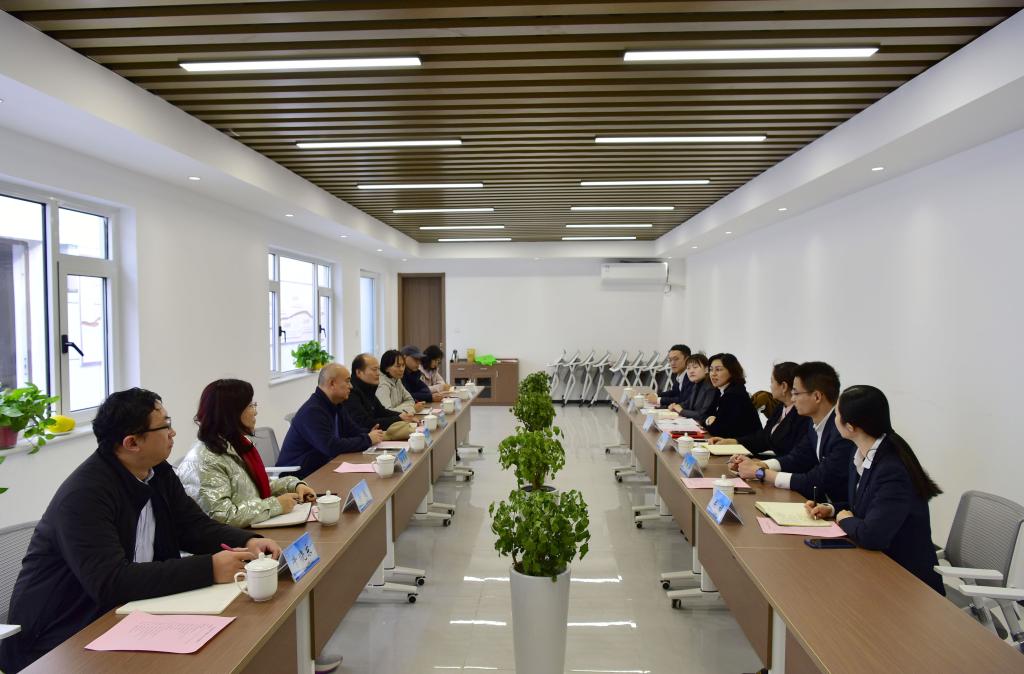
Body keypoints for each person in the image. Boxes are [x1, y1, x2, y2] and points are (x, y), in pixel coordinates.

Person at [0, 388, 281, 673]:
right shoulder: (85, 495)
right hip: (61, 637)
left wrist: (249, 540)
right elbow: (111, 581)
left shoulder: (157, 471)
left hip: (130, 613)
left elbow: (193, 526)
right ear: (132, 442)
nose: (173, 433)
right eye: (165, 426)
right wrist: (210, 568)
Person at [805, 385, 945, 595]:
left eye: (837, 414)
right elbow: (864, 505)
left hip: (907, 581)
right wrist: (831, 509)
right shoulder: (864, 453)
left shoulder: (892, 469)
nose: (834, 419)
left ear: (851, 427)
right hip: (878, 565)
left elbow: (872, 535)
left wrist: (844, 519)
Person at [176, 378, 316, 528]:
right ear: (231, 413)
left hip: (251, 530)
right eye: (250, 406)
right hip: (234, 539)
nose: (255, 411)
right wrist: (275, 505)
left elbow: (259, 486)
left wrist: (293, 485)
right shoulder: (206, 459)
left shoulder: (236, 443)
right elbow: (222, 516)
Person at [734, 361, 855, 504]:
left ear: (817, 396)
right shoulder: (814, 423)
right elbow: (797, 458)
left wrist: (760, 473)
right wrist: (760, 465)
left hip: (839, 508)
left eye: (796, 393)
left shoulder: (842, 432)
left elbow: (815, 480)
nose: (792, 399)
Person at [277, 363, 386, 479]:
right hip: (299, 476)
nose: (351, 386)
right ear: (332, 383)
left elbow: (353, 431)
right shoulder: (313, 411)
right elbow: (331, 447)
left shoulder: (336, 405)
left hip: (324, 467)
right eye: (347, 381)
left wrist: (371, 434)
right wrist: (368, 439)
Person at [711, 362, 807, 459]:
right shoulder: (781, 407)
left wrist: (763, 464)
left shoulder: (802, 415)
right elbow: (763, 438)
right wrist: (733, 441)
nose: (770, 386)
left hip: (782, 464)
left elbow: (794, 456)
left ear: (784, 386)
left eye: (772, 381)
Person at [348, 353, 417, 430]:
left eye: (378, 369)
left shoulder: (369, 388)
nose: (378, 373)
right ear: (359, 372)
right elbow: (365, 423)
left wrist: (402, 415)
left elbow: (382, 412)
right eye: (374, 370)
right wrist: (399, 418)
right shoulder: (351, 393)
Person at [702, 353, 762, 438]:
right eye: (711, 370)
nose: (713, 374)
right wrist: (709, 420)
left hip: (743, 444)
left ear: (731, 371)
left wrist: (710, 421)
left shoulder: (734, 394)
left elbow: (719, 431)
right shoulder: (719, 390)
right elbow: (705, 415)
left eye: (718, 369)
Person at [667, 353, 716, 420]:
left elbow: (703, 415)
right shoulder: (696, 384)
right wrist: (676, 406)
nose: (691, 371)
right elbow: (688, 403)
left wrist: (681, 411)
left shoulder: (710, 387)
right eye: (688, 368)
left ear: (706, 370)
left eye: (695, 367)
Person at [377, 349, 426, 414]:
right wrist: (412, 409)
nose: (402, 369)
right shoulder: (382, 385)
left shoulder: (397, 379)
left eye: (403, 365)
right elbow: (386, 413)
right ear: (386, 368)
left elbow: (410, 400)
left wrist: (400, 408)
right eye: (398, 366)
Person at [645, 344, 692, 408]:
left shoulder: (691, 377)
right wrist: (656, 395)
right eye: (670, 360)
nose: (672, 363)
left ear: (687, 359)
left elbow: (683, 400)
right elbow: (674, 392)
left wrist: (658, 400)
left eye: (676, 359)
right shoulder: (680, 374)